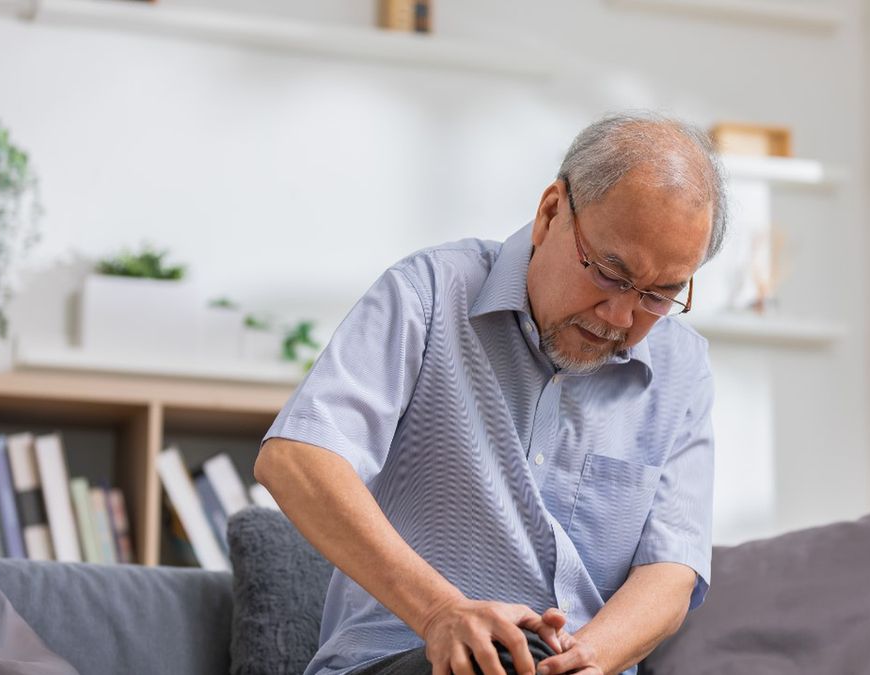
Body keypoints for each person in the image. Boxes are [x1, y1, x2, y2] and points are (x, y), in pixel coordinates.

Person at [255, 111, 727, 675]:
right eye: (608, 272)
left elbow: (670, 572)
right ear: (551, 212)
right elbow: (297, 459)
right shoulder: (427, 295)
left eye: (658, 294)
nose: (621, 315)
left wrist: (586, 661)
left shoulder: (683, 368)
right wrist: (439, 613)